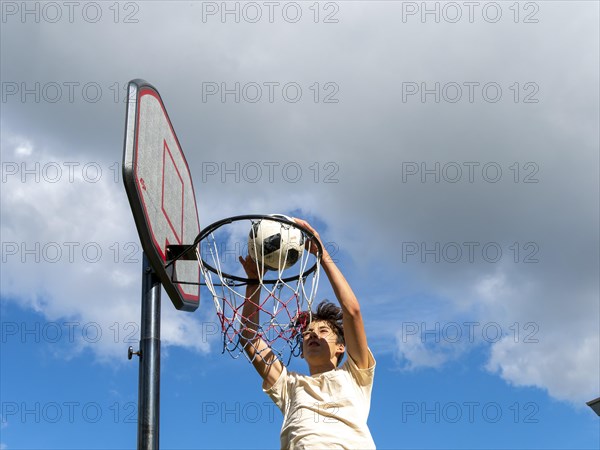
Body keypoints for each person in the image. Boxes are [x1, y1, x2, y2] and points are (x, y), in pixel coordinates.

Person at [238, 218, 376, 449]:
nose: (313, 335)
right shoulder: (290, 385)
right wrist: (254, 284)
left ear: (341, 346)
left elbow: (352, 311)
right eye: (308, 333)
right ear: (301, 351)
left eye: (323, 331)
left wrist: (322, 254)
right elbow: (250, 339)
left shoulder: (356, 376)